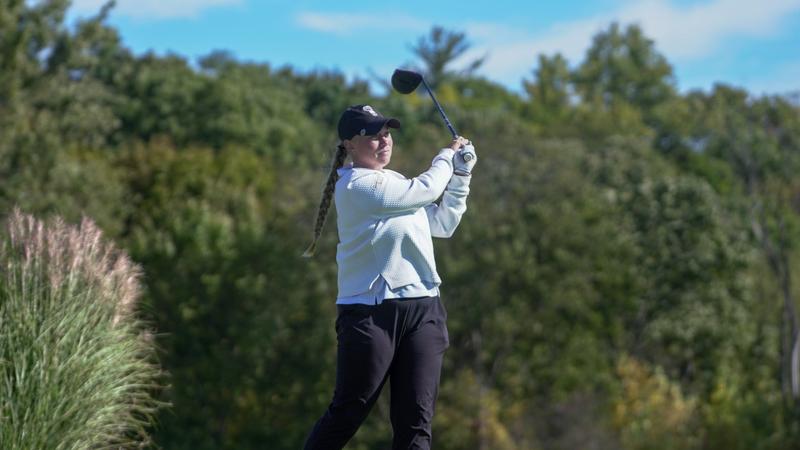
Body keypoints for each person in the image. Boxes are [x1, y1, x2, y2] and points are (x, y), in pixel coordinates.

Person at [302, 104, 477, 449]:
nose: (384, 141)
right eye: (372, 135)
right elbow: (425, 190)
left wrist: (461, 176)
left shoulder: (395, 183)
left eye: (386, 133)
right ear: (349, 144)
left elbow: (443, 223)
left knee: (416, 422)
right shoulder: (354, 186)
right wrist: (447, 155)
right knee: (348, 412)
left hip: (424, 310)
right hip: (369, 315)